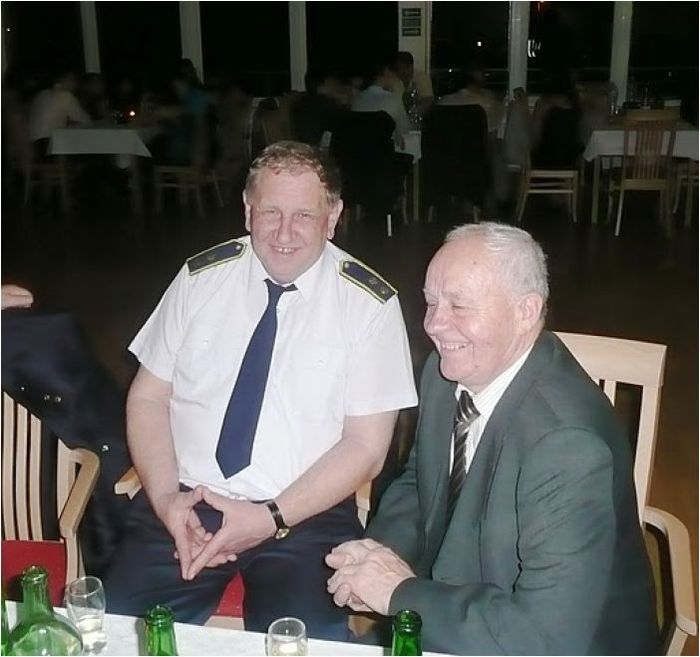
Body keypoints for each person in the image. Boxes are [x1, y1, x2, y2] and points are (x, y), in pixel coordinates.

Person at [104, 141, 418, 640]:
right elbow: (148, 397)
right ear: (248, 209)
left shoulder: (368, 306)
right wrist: (165, 501)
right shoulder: (200, 279)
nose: (284, 232)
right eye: (270, 211)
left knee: (305, 646)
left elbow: (366, 447)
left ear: (333, 217)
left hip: (303, 515)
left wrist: (269, 517)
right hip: (187, 506)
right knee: (120, 636)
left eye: (304, 215)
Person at [326, 222, 659, 655]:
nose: (434, 324)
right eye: (430, 302)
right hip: (458, 614)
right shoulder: (446, 375)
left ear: (526, 311)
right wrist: (377, 555)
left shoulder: (567, 445)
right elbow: (420, 484)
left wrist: (398, 592)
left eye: (459, 306)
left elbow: (545, 639)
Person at [28, 69, 90, 159]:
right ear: (64, 79)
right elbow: (85, 120)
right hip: (50, 148)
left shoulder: (41, 94)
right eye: (73, 80)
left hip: (32, 148)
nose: (76, 84)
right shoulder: (65, 96)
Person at [352, 61, 412, 148]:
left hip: (358, 150)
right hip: (385, 152)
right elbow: (405, 131)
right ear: (386, 71)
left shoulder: (356, 99)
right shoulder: (393, 100)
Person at [438, 64, 504, 134]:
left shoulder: (443, 101)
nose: (485, 77)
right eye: (483, 75)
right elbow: (493, 128)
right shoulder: (485, 104)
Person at [390, 51, 434, 116]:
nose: (402, 71)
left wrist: (414, 113)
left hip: (418, 116)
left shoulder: (422, 78)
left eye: (405, 67)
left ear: (411, 66)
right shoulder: (393, 79)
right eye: (399, 68)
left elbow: (428, 101)